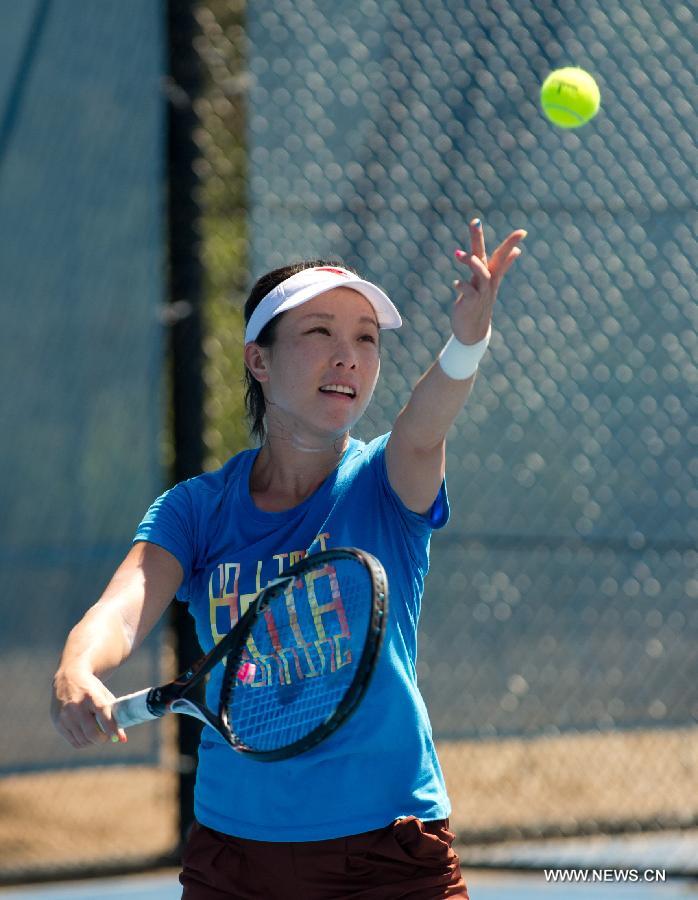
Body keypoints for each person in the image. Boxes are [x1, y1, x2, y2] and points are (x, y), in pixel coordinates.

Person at [51, 219, 525, 899]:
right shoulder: (196, 510)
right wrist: (77, 667)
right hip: (235, 858)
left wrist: (468, 338)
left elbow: (427, 422)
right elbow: (121, 611)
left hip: (388, 851)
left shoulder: (386, 481)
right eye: (320, 334)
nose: (349, 356)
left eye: (366, 338)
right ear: (259, 360)